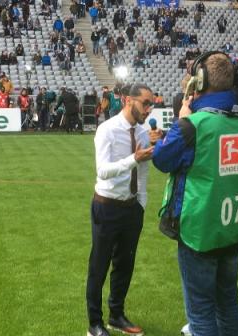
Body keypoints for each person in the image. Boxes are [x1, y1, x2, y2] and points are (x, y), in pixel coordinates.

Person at [151, 52, 238, 336]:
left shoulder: (193, 125)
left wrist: (181, 120)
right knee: (227, 303)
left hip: (199, 231)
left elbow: (162, 159)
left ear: (199, 82)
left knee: (200, 314)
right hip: (233, 230)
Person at [86, 84, 155, 336]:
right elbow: (102, 170)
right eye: (145, 103)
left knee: (125, 264)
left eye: (151, 104)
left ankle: (116, 315)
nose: (148, 109)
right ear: (128, 100)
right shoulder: (107, 129)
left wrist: (141, 202)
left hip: (132, 208)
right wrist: (133, 159)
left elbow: (144, 171)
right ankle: (94, 323)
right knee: (99, 265)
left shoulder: (143, 132)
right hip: (107, 206)